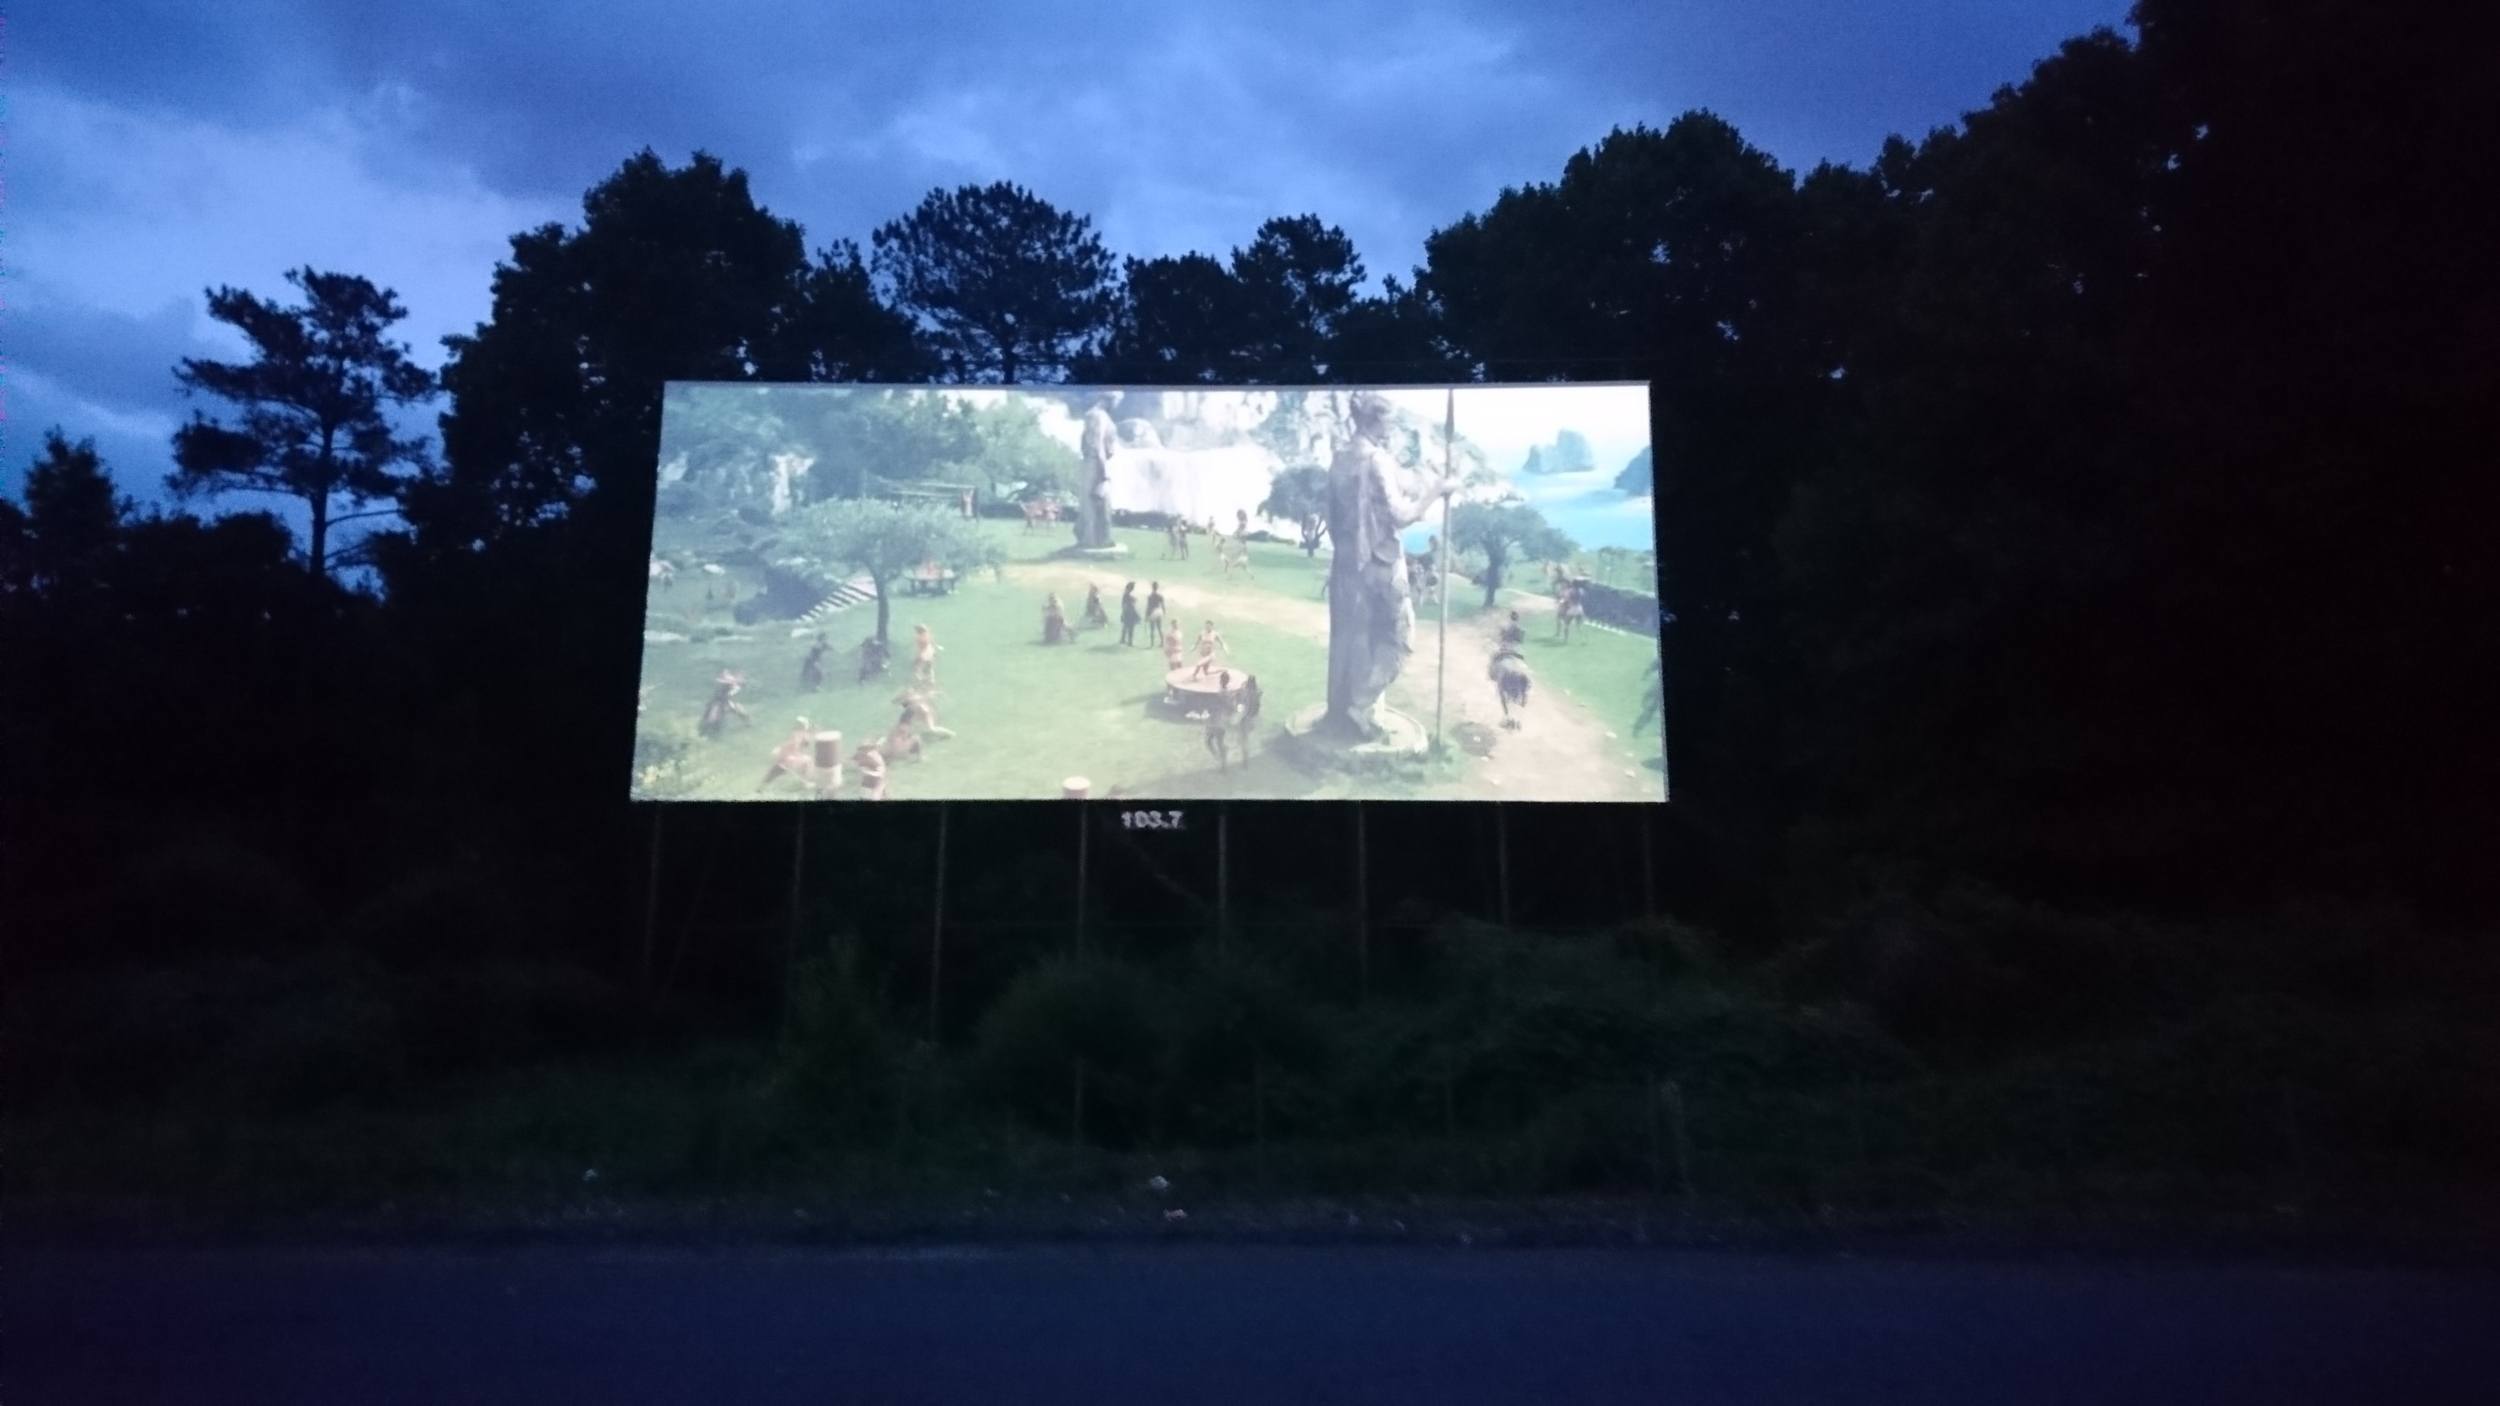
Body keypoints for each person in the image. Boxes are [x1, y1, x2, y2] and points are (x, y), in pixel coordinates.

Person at [1320, 390, 1460, 740]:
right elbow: (1399, 514)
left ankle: (1351, 707)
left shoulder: (1341, 458)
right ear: (1373, 420)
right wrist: (1437, 491)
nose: (1392, 429)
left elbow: (1335, 515)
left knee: (1354, 637)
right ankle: (1360, 703)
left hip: (1346, 564)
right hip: (1379, 564)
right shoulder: (1375, 460)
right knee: (1400, 638)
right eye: (1388, 422)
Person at [758, 718, 817, 792]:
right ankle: (806, 783)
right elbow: (797, 746)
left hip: (788, 758)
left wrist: (780, 748)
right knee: (782, 770)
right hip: (791, 758)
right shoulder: (801, 735)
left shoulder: (797, 734)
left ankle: (760, 789)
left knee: (774, 772)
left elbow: (795, 746)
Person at [1490, 645, 1532, 730]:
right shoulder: (1514, 661)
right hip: (1519, 674)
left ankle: (1509, 718)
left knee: (1507, 698)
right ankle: (1515, 720)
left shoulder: (1499, 664)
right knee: (1519, 699)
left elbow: (1494, 678)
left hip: (1506, 675)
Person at [698, 669, 750, 737]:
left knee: (740, 712)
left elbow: (735, 686)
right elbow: (723, 683)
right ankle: (706, 730)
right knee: (712, 720)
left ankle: (748, 724)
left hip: (723, 701)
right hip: (718, 701)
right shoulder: (724, 681)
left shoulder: (731, 681)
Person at [1203, 672, 1235, 770]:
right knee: (1214, 741)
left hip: (1217, 721)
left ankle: (1222, 761)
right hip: (1221, 721)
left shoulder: (1221, 693)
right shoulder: (1228, 692)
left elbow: (1217, 705)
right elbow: (1231, 707)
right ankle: (1222, 758)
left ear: (1221, 680)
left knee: (1211, 741)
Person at [1235, 673, 1262, 756]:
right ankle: (1243, 741)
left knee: (1243, 732)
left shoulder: (1246, 692)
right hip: (1252, 713)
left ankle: (1244, 748)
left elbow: (1241, 698)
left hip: (1246, 714)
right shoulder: (1257, 691)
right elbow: (1259, 694)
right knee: (1245, 728)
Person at [912, 624, 941, 688]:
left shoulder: (918, 638)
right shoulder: (928, 635)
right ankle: (932, 680)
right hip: (931, 653)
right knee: (930, 668)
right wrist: (936, 651)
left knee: (918, 669)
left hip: (924, 656)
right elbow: (933, 643)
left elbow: (920, 649)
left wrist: (917, 658)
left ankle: (920, 681)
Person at [1119, 582, 1142, 647]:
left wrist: (1123, 613)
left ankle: (1123, 640)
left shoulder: (1126, 595)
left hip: (1128, 612)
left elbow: (1123, 605)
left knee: (1125, 627)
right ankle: (1129, 642)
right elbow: (1128, 604)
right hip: (1130, 613)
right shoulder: (1128, 595)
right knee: (1130, 628)